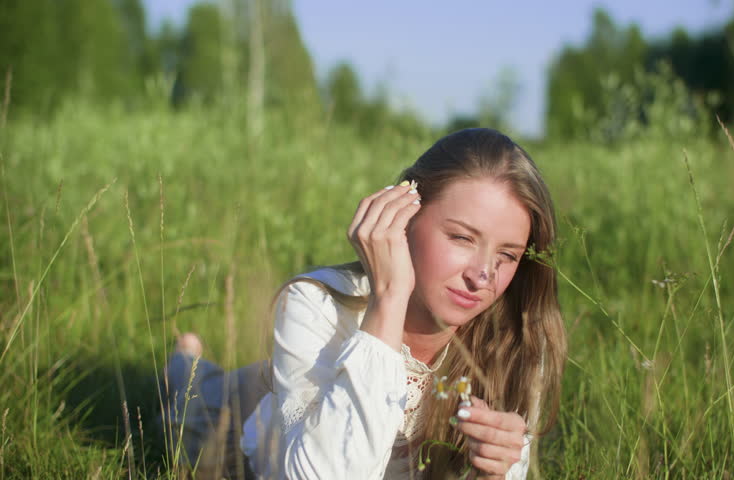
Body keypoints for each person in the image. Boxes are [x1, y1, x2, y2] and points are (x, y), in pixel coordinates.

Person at [159, 128, 567, 479]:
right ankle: (185, 362)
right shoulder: (316, 304)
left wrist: (498, 469)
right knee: (191, 398)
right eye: (461, 238)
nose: (483, 275)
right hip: (241, 433)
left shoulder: (516, 337)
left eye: (507, 255)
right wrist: (389, 299)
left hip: (290, 380)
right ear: (403, 218)